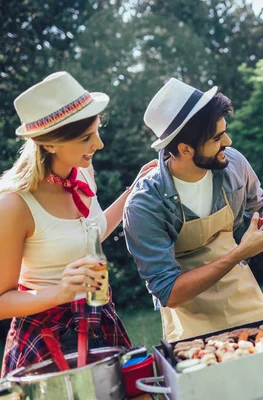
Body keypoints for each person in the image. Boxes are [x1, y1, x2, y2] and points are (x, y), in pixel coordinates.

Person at [0, 71, 156, 377]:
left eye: (96, 131)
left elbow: (93, 233)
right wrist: (61, 291)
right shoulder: (14, 205)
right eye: (86, 138)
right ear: (49, 143)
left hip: (100, 321)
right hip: (48, 341)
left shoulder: (82, 172)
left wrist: (132, 190)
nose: (98, 143)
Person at [123, 78, 263, 342]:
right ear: (184, 149)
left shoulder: (233, 165)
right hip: (189, 320)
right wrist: (240, 252)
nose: (228, 141)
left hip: (244, 300)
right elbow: (169, 291)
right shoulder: (145, 205)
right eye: (217, 137)